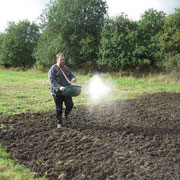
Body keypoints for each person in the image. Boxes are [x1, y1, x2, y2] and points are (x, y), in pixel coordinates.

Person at [48, 53, 77, 128]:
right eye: (61, 60)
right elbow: (51, 80)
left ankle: (66, 115)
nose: (63, 61)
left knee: (70, 105)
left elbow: (72, 76)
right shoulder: (53, 69)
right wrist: (59, 87)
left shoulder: (66, 68)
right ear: (57, 59)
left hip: (67, 91)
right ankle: (59, 122)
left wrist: (73, 79)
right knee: (59, 108)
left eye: (63, 59)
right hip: (57, 92)